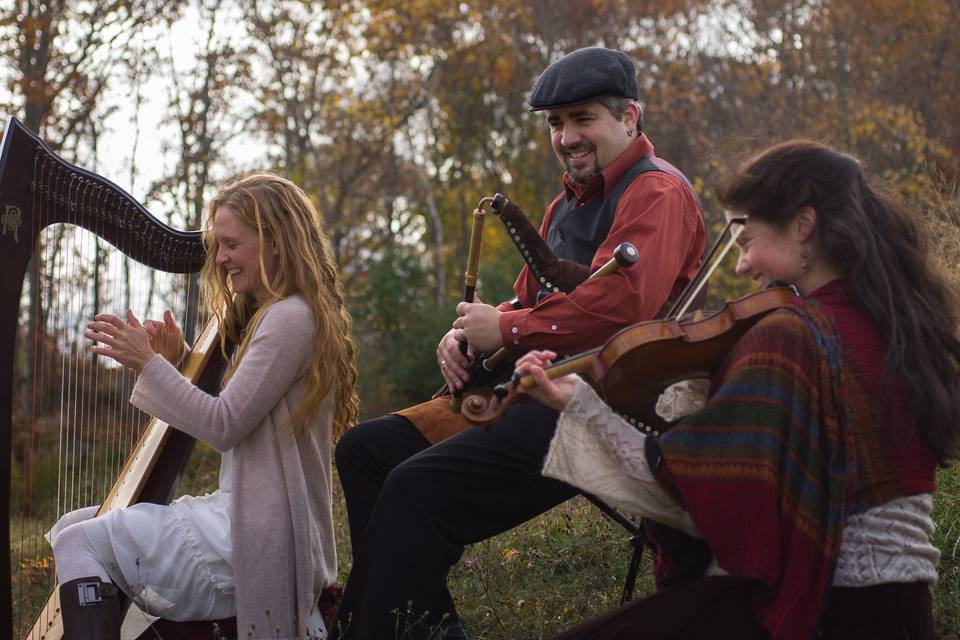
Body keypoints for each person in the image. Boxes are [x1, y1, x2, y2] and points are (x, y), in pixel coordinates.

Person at [331, 47, 707, 639]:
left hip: (602, 409)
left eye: (583, 118)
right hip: (530, 388)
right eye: (556, 123)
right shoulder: (565, 205)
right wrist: (469, 335)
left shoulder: (656, 193)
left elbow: (622, 307)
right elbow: (529, 303)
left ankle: (367, 630)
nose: (566, 137)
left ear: (629, 118)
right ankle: (427, 625)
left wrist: (505, 329)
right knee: (366, 451)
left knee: (413, 487)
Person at [515, 140, 960, 639]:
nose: (742, 266)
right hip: (901, 613)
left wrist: (580, 404)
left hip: (821, 610)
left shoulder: (791, 338)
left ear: (803, 225)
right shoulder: (898, 326)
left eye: (746, 241)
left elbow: (689, 493)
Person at [48, 173, 358, 639]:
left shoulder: (288, 318)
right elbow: (241, 410)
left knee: (78, 541)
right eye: (219, 246)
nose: (222, 258)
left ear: (275, 240)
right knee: (74, 526)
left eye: (232, 244)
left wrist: (149, 363)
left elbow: (223, 423)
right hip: (250, 515)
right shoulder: (278, 315)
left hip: (257, 530)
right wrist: (173, 363)